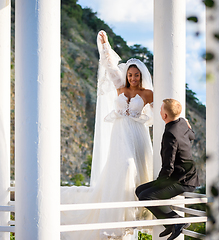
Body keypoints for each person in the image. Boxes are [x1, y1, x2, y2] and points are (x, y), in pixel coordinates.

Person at [61, 30, 154, 240]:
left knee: (137, 170)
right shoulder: (120, 88)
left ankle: (135, 214)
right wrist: (105, 46)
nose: (132, 78)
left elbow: (163, 110)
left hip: (138, 135)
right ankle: (117, 219)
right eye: (130, 75)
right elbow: (111, 67)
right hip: (120, 134)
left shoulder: (148, 94)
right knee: (123, 168)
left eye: (135, 74)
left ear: (141, 75)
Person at [135, 99, 199, 240]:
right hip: (184, 175)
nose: (159, 111)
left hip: (183, 181)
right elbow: (192, 136)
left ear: (164, 116)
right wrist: (188, 126)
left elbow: (168, 166)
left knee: (146, 196)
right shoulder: (181, 122)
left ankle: (178, 222)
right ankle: (169, 225)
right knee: (139, 191)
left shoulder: (170, 134)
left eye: (161, 109)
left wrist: (159, 184)